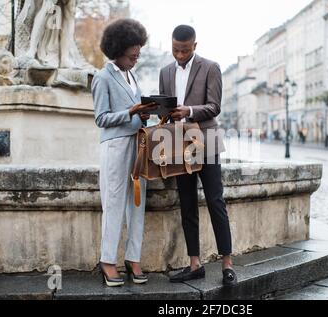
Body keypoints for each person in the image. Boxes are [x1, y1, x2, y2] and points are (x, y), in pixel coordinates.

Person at [159, 25, 237, 286]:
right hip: (178, 143)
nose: (179, 55)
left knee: (216, 201)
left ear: (195, 45)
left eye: (184, 50)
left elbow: (214, 106)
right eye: (175, 50)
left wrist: (189, 111)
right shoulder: (165, 71)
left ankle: (227, 264)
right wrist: (158, 111)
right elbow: (166, 109)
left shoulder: (210, 67)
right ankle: (195, 264)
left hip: (207, 140)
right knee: (188, 203)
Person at [91, 19, 156, 287]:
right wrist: (130, 112)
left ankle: (133, 257)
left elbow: (134, 110)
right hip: (115, 146)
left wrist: (145, 114)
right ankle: (108, 260)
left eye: (138, 55)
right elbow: (101, 118)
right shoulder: (102, 77)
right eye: (132, 56)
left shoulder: (132, 76)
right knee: (115, 202)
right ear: (117, 50)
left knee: (137, 204)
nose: (135, 60)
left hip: (137, 144)